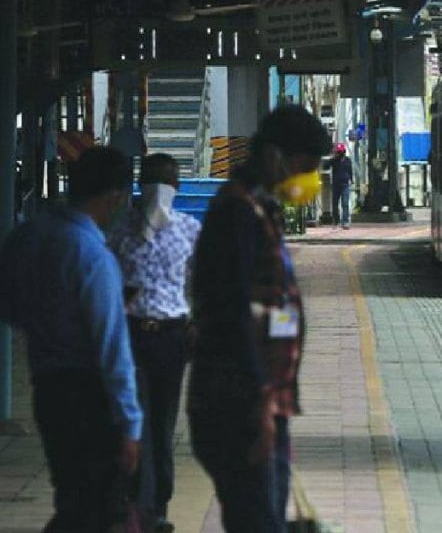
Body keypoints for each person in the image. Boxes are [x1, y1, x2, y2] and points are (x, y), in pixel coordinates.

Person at [187, 105, 330, 533]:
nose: (309, 180)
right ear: (275, 156)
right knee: (256, 519)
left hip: (259, 399)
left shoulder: (258, 209)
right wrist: (260, 404)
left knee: (263, 514)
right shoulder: (236, 214)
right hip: (239, 403)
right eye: (306, 167)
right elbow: (231, 313)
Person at [0, 147, 142, 532]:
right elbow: (112, 348)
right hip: (89, 393)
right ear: (115, 195)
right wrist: (130, 423)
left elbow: (10, 308)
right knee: (99, 508)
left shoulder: (27, 237)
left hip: (47, 387)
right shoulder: (92, 254)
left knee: (72, 494)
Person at [109, 153, 201, 533]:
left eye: (165, 182)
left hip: (171, 335)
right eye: (151, 181)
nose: (158, 191)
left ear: (176, 188)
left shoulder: (190, 229)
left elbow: (202, 280)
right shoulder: (120, 230)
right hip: (130, 334)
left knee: (162, 424)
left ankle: (158, 502)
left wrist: (196, 322)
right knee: (137, 422)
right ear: (139, 185)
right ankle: (137, 502)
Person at [326, 142, 353, 228]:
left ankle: (345, 221)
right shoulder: (334, 160)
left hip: (345, 184)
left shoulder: (347, 160)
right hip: (336, 184)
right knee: (335, 203)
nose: (339, 154)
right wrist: (332, 157)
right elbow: (326, 166)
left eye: (340, 152)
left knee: (345, 203)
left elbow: (350, 170)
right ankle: (336, 220)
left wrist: (351, 179)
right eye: (338, 152)